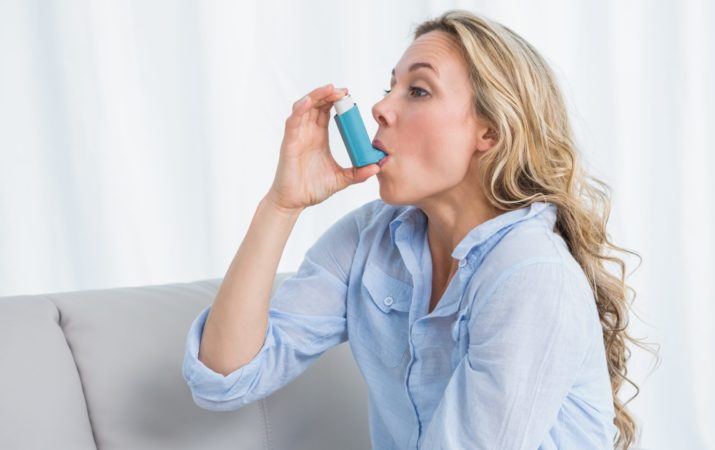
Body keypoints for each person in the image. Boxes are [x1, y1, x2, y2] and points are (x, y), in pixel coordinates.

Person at [182, 9, 650, 450]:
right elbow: (223, 378)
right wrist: (281, 205)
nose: (380, 108)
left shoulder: (530, 273)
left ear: (490, 132)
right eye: (390, 88)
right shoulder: (369, 239)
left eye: (418, 91)